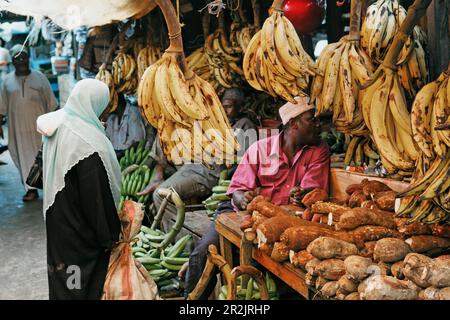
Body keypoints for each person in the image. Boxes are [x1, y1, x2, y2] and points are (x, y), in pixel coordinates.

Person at [183, 96, 330, 299]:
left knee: (290, 276)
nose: (318, 125)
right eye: (312, 119)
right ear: (294, 124)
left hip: (287, 223)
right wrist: (243, 198)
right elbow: (236, 191)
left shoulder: (318, 151)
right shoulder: (260, 149)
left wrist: (302, 196)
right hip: (242, 214)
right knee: (202, 254)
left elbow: (313, 193)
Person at [36, 79, 121, 300]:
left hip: (58, 217)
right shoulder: (87, 144)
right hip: (78, 227)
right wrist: (109, 237)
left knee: (63, 277)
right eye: (102, 108)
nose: (104, 115)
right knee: (80, 283)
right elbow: (96, 201)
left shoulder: (62, 122)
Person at [137, 88, 257, 221]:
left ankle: (179, 235)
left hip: (208, 174)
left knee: (160, 194)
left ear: (240, 108)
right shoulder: (214, 121)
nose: (225, 111)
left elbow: (244, 164)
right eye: (222, 107)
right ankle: (173, 223)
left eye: (229, 107)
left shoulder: (245, 125)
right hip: (191, 167)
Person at [0, 44, 58, 201]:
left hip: (40, 128)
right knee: (22, 156)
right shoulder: (6, 81)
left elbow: (52, 104)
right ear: (12, 61)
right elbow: (1, 107)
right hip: (17, 130)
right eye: (17, 58)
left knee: (45, 156)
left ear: (28, 58)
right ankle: (30, 189)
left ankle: (51, 188)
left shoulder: (40, 78)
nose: (21, 61)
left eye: (23, 57)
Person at [104, 93, 147, 157]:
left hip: (131, 159)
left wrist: (121, 154)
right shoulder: (111, 119)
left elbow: (139, 142)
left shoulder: (134, 113)